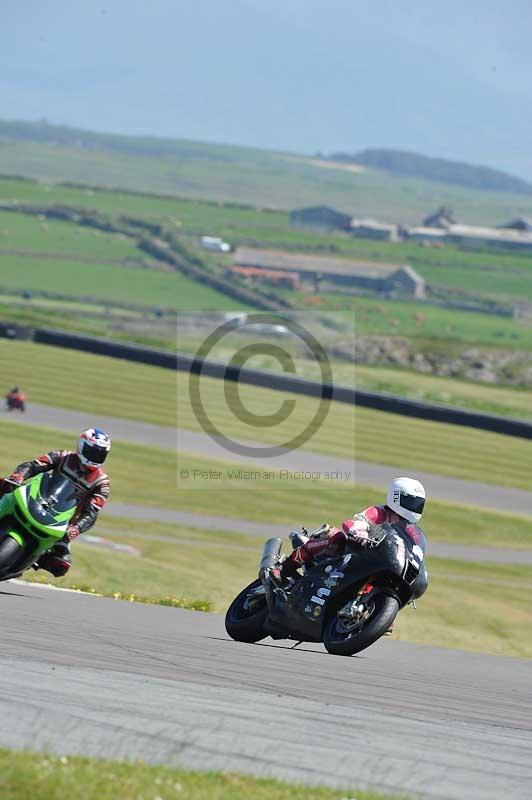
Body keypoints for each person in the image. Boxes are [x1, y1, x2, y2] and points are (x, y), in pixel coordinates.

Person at [277, 477, 429, 629]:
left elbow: (415, 550)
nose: (414, 508)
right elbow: (353, 522)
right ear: (396, 496)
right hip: (353, 551)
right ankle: (284, 568)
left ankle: (373, 611)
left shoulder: (410, 529)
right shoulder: (379, 512)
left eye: (418, 504)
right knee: (335, 536)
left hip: (377, 562)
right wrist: (358, 531)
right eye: (411, 502)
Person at [0, 428, 111, 576]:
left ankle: (33, 559)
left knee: (61, 564)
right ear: (81, 446)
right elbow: (33, 465)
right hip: (37, 499)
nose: (96, 457)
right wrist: (19, 476)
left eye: (100, 454)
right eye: (92, 451)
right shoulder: (62, 456)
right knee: (4, 486)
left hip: (61, 522)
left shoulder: (102, 483)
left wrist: (76, 528)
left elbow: (91, 513)